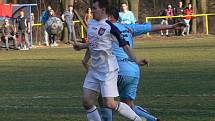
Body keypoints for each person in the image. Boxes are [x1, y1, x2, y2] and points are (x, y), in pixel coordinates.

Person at [96, 7, 186, 121]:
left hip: (116, 69)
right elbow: (150, 27)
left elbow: (94, 44)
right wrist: (171, 26)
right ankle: (153, 119)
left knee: (104, 100)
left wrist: (82, 46)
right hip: (133, 70)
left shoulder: (106, 28)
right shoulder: (128, 27)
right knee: (128, 105)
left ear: (110, 17)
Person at [73, 0, 148, 121]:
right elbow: (93, 43)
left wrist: (137, 60)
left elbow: (126, 46)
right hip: (94, 69)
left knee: (109, 103)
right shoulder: (91, 23)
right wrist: (81, 46)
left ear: (103, 10)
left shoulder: (111, 28)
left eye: (95, 8)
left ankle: (137, 119)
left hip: (107, 70)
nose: (92, 10)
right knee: (87, 102)